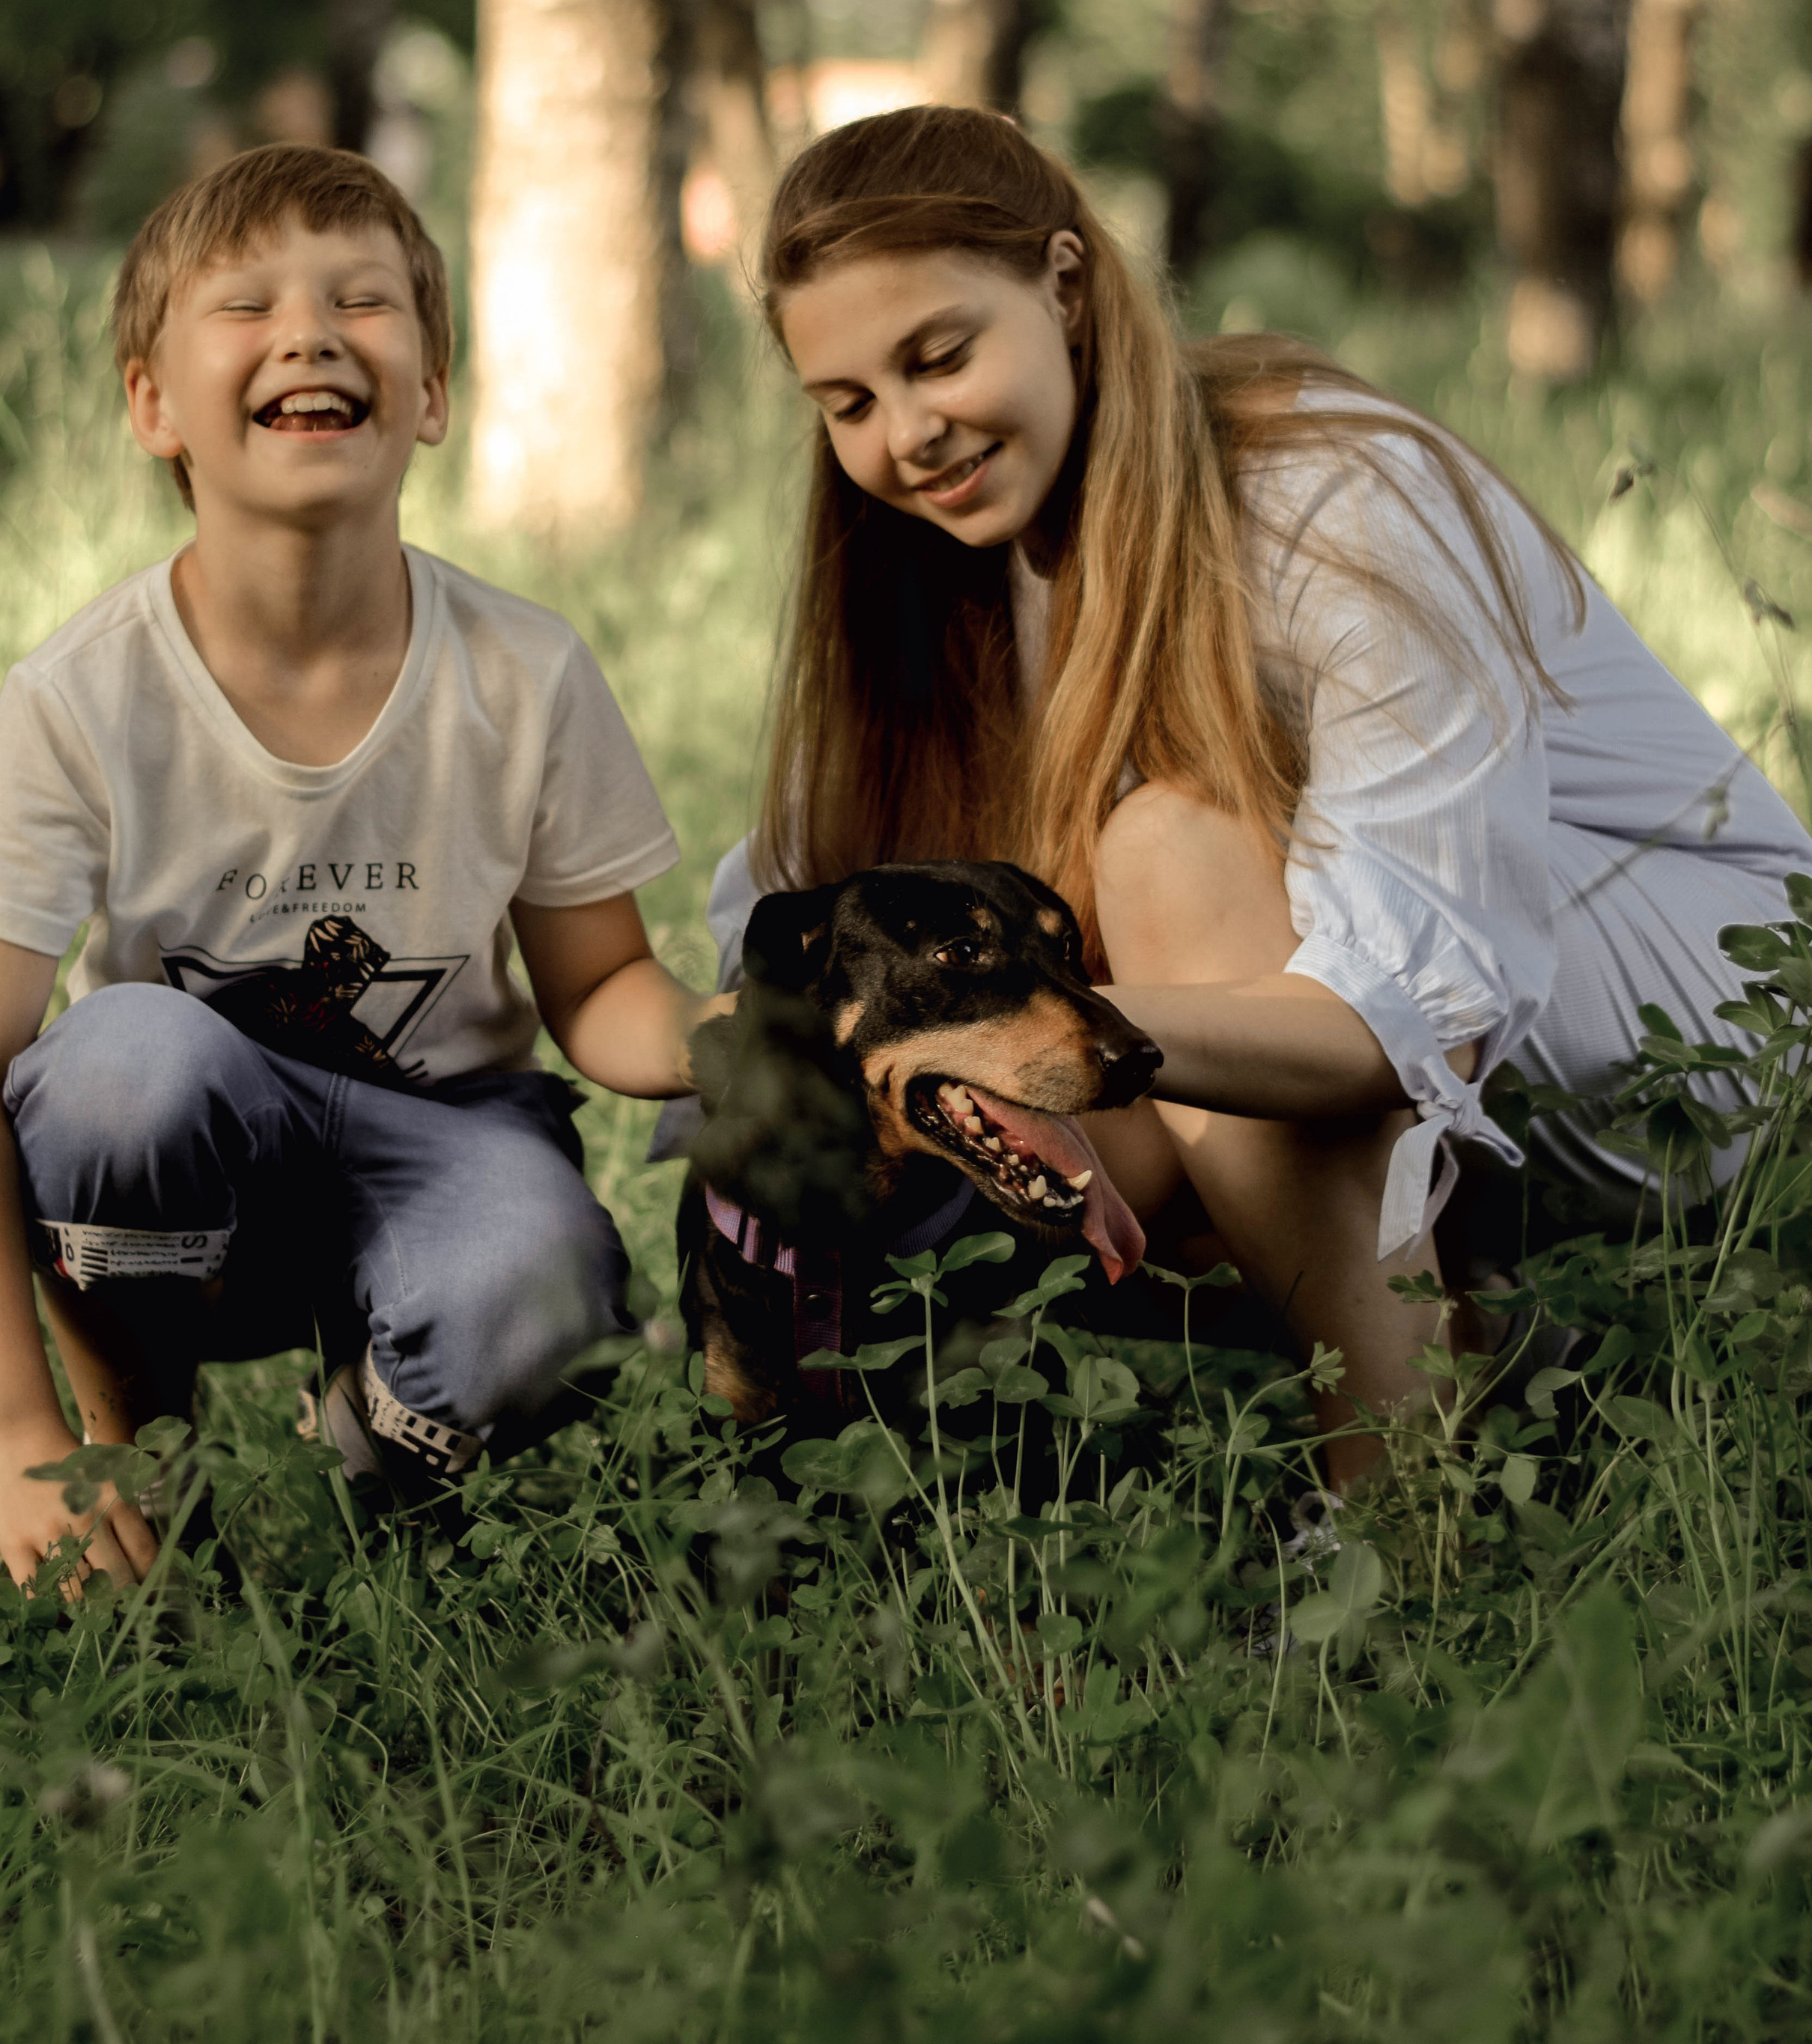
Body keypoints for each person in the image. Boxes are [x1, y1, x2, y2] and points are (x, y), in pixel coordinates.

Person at [701, 104, 1812, 1491]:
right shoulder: (933, 566)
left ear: (1063, 282)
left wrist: (1030, 1027)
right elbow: (786, 925)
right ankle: (1434, 1346)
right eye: (850, 403)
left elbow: (1415, 1016)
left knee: (1163, 851)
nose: (907, 436)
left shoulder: (1323, 494)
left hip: (1688, 1017)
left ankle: (1402, 1498)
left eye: (939, 356)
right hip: (1384, 1044)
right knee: (970, 1029)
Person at [0, 142, 721, 1591]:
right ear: (154, 404)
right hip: (192, 1163)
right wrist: (6, 1421)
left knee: (542, 1285)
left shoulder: (524, 672)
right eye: (248, 304)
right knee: (116, 1072)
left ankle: (373, 1461)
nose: (311, 330)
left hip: (446, 1138)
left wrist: (731, 1044)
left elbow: (599, 984)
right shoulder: (84, 692)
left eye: (364, 298)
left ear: (433, 394)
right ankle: (140, 1450)